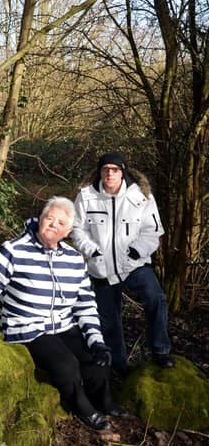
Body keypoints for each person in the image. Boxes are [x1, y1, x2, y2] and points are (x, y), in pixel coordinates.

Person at [0, 197, 126, 431]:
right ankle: (82, 408)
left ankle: (103, 401)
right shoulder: (13, 250)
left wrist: (97, 341)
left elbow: (85, 305)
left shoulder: (74, 260)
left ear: (68, 231)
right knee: (66, 364)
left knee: (97, 361)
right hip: (26, 327)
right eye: (49, 218)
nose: (53, 224)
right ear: (40, 219)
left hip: (63, 326)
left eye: (60, 223)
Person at [71, 151, 174, 372]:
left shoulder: (141, 196)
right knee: (109, 318)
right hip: (102, 267)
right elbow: (77, 229)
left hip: (134, 264)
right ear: (100, 172)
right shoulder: (86, 196)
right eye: (106, 169)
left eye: (115, 169)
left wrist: (138, 250)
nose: (110, 173)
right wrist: (92, 250)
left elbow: (153, 230)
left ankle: (161, 350)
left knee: (156, 298)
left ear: (122, 172)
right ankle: (118, 366)